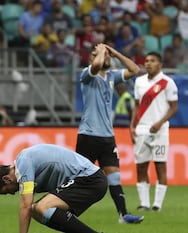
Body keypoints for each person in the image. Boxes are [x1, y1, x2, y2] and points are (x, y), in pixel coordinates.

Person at [76, 43, 144, 224]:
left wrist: (115, 53)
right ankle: (65, 209)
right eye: (104, 55)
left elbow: (135, 69)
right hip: (88, 135)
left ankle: (123, 215)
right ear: (93, 57)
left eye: (107, 55)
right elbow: (96, 66)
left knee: (114, 176)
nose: (107, 58)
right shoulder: (86, 74)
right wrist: (100, 52)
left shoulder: (112, 76)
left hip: (107, 137)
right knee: (79, 178)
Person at [0, 144, 108, 233]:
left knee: (42, 207)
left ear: (6, 179)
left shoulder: (23, 163)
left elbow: (25, 205)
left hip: (90, 179)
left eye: (7, 191)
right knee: (35, 211)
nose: (12, 193)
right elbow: (29, 209)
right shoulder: (25, 169)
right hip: (85, 180)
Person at [130, 51, 178, 212]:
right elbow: (137, 106)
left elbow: (174, 107)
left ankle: (157, 205)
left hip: (160, 130)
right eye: (146, 61)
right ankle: (144, 204)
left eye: (152, 61)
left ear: (160, 64)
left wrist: (160, 122)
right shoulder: (139, 82)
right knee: (141, 167)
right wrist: (132, 126)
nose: (148, 63)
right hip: (142, 129)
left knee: (160, 166)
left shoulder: (167, 82)